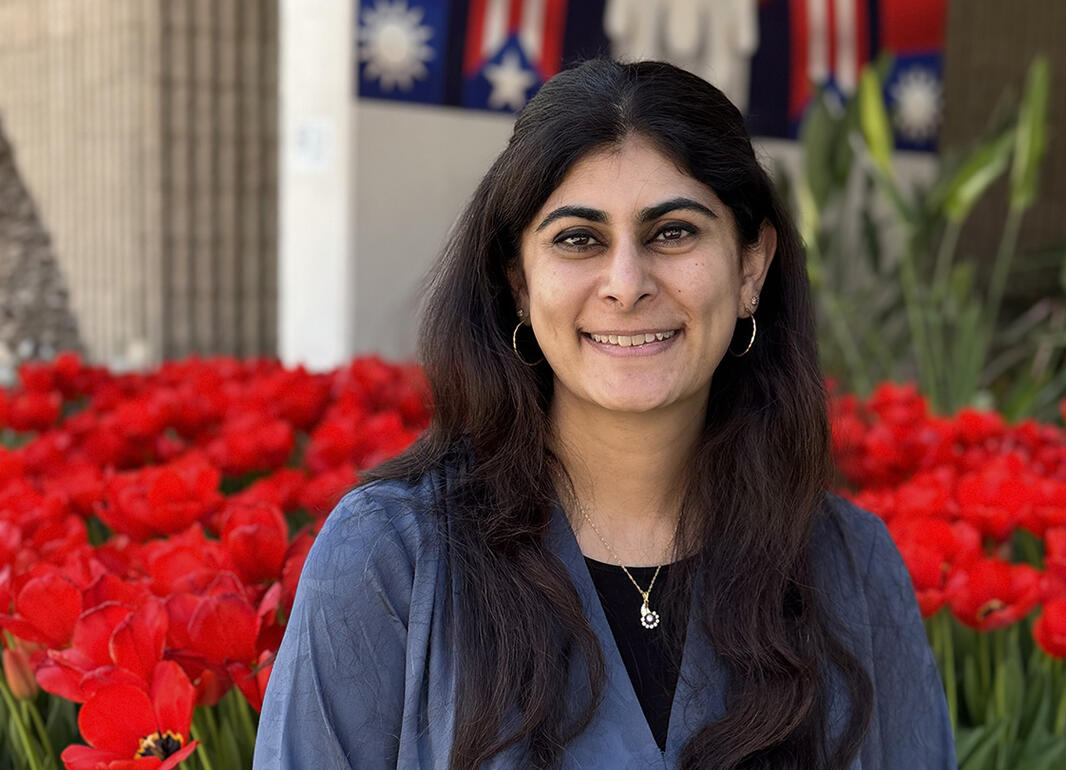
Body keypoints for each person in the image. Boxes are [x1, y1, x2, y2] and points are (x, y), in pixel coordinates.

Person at [253, 58, 955, 769]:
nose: (626, 284)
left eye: (674, 232)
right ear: (518, 281)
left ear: (750, 268)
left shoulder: (853, 569)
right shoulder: (389, 560)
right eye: (578, 239)